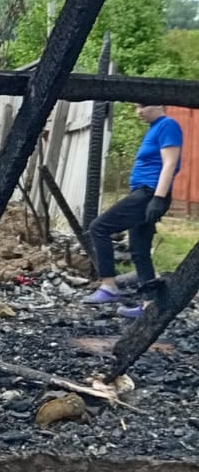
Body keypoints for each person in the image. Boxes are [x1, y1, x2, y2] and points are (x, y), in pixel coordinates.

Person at [84, 104, 183, 316]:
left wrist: (158, 198)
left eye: (143, 106)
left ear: (159, 105)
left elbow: (170, 163)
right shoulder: (154, 128)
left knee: (99, 227)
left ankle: (109, 286)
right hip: (145, 193)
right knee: (139, 249)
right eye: (137, 107)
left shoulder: (168, 125)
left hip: (149, 194)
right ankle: (149, 305)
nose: (139, 111)